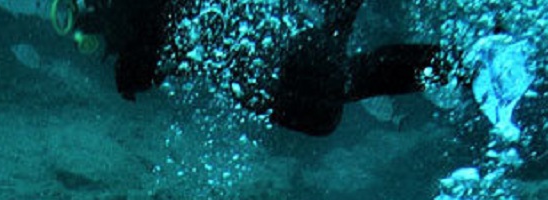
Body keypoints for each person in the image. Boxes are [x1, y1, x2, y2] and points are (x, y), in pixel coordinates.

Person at [63, 0, 449, 136]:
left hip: (258, 53)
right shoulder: (128, 35)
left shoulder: (123, 16)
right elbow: (152, 60)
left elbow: (146, 54)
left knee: (329, 85)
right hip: (254, 67)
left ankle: (452, 64)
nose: (79, 35)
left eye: (68, 14)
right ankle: (451, 64)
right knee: (326, 101)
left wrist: (130, 67)